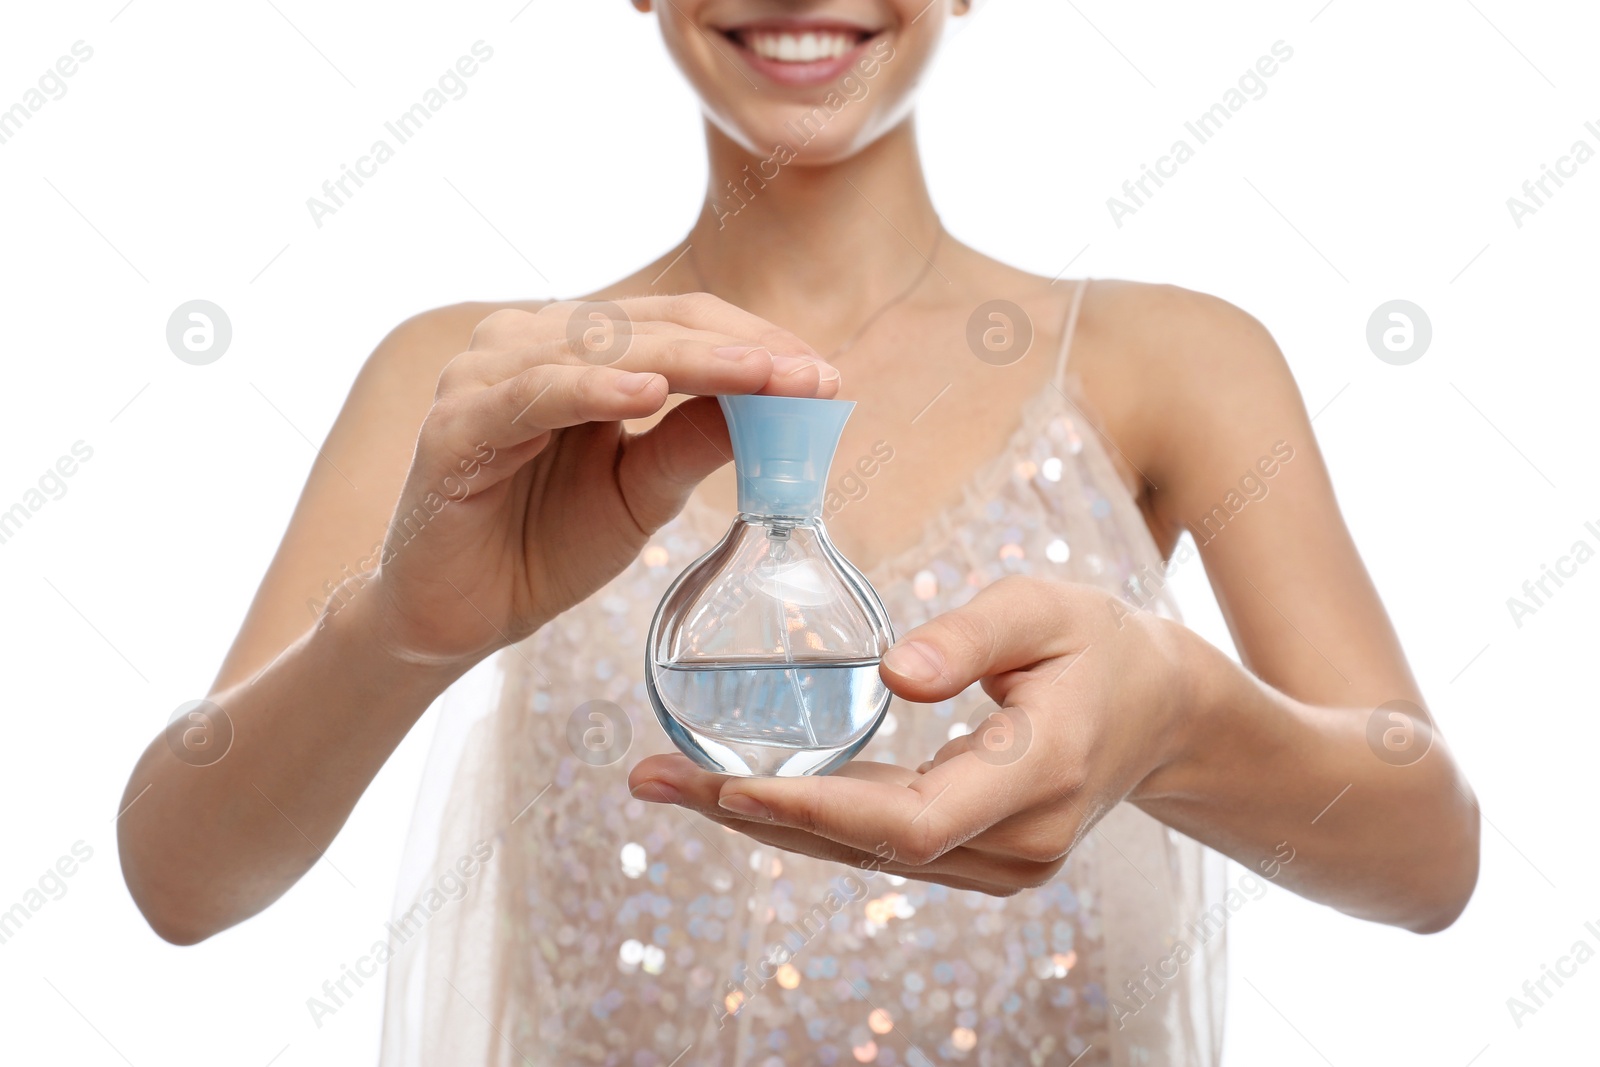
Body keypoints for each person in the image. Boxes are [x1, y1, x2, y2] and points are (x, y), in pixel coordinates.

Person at [117, 2, 1480, 1064]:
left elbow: (1429, 859)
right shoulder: (485, 388)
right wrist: (398, 632)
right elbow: (179, 879)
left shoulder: (1170, 362)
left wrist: (1182, 719)